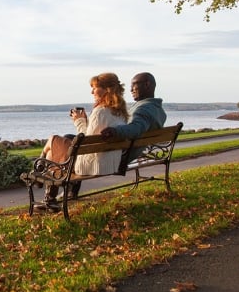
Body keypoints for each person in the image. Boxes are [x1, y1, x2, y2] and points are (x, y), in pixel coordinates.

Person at [36, 72, 129, 211]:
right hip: (111, 161)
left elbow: (86, 142)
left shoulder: (100, 112)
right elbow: (92, 137)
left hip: (93, 165)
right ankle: (47, 189)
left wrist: (79, 121)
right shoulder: (121, 112)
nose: (92, 91)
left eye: (95, 87)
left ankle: (41, 168)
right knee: (58, 146)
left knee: (53, 140)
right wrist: (86, 121)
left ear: (107, 89)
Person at [100, 72, 167, 146]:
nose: (131, 90)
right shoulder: (157, 109)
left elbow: (136, 128)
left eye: (134, 84)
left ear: (147, 85)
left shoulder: (144, 109)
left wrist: (115, 131)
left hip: (121, 153)